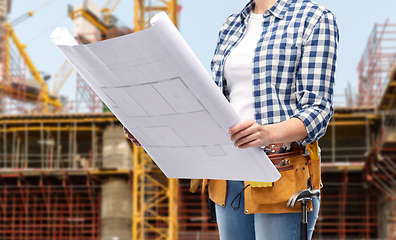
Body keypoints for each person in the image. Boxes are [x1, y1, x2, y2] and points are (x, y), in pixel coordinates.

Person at [125, 0, 338, 239]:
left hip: (281, 173)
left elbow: (318, 110)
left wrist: (266, 133)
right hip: (229, 175)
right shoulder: (231, 25)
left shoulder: (314, 18)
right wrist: (151, 130)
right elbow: (211, 107)